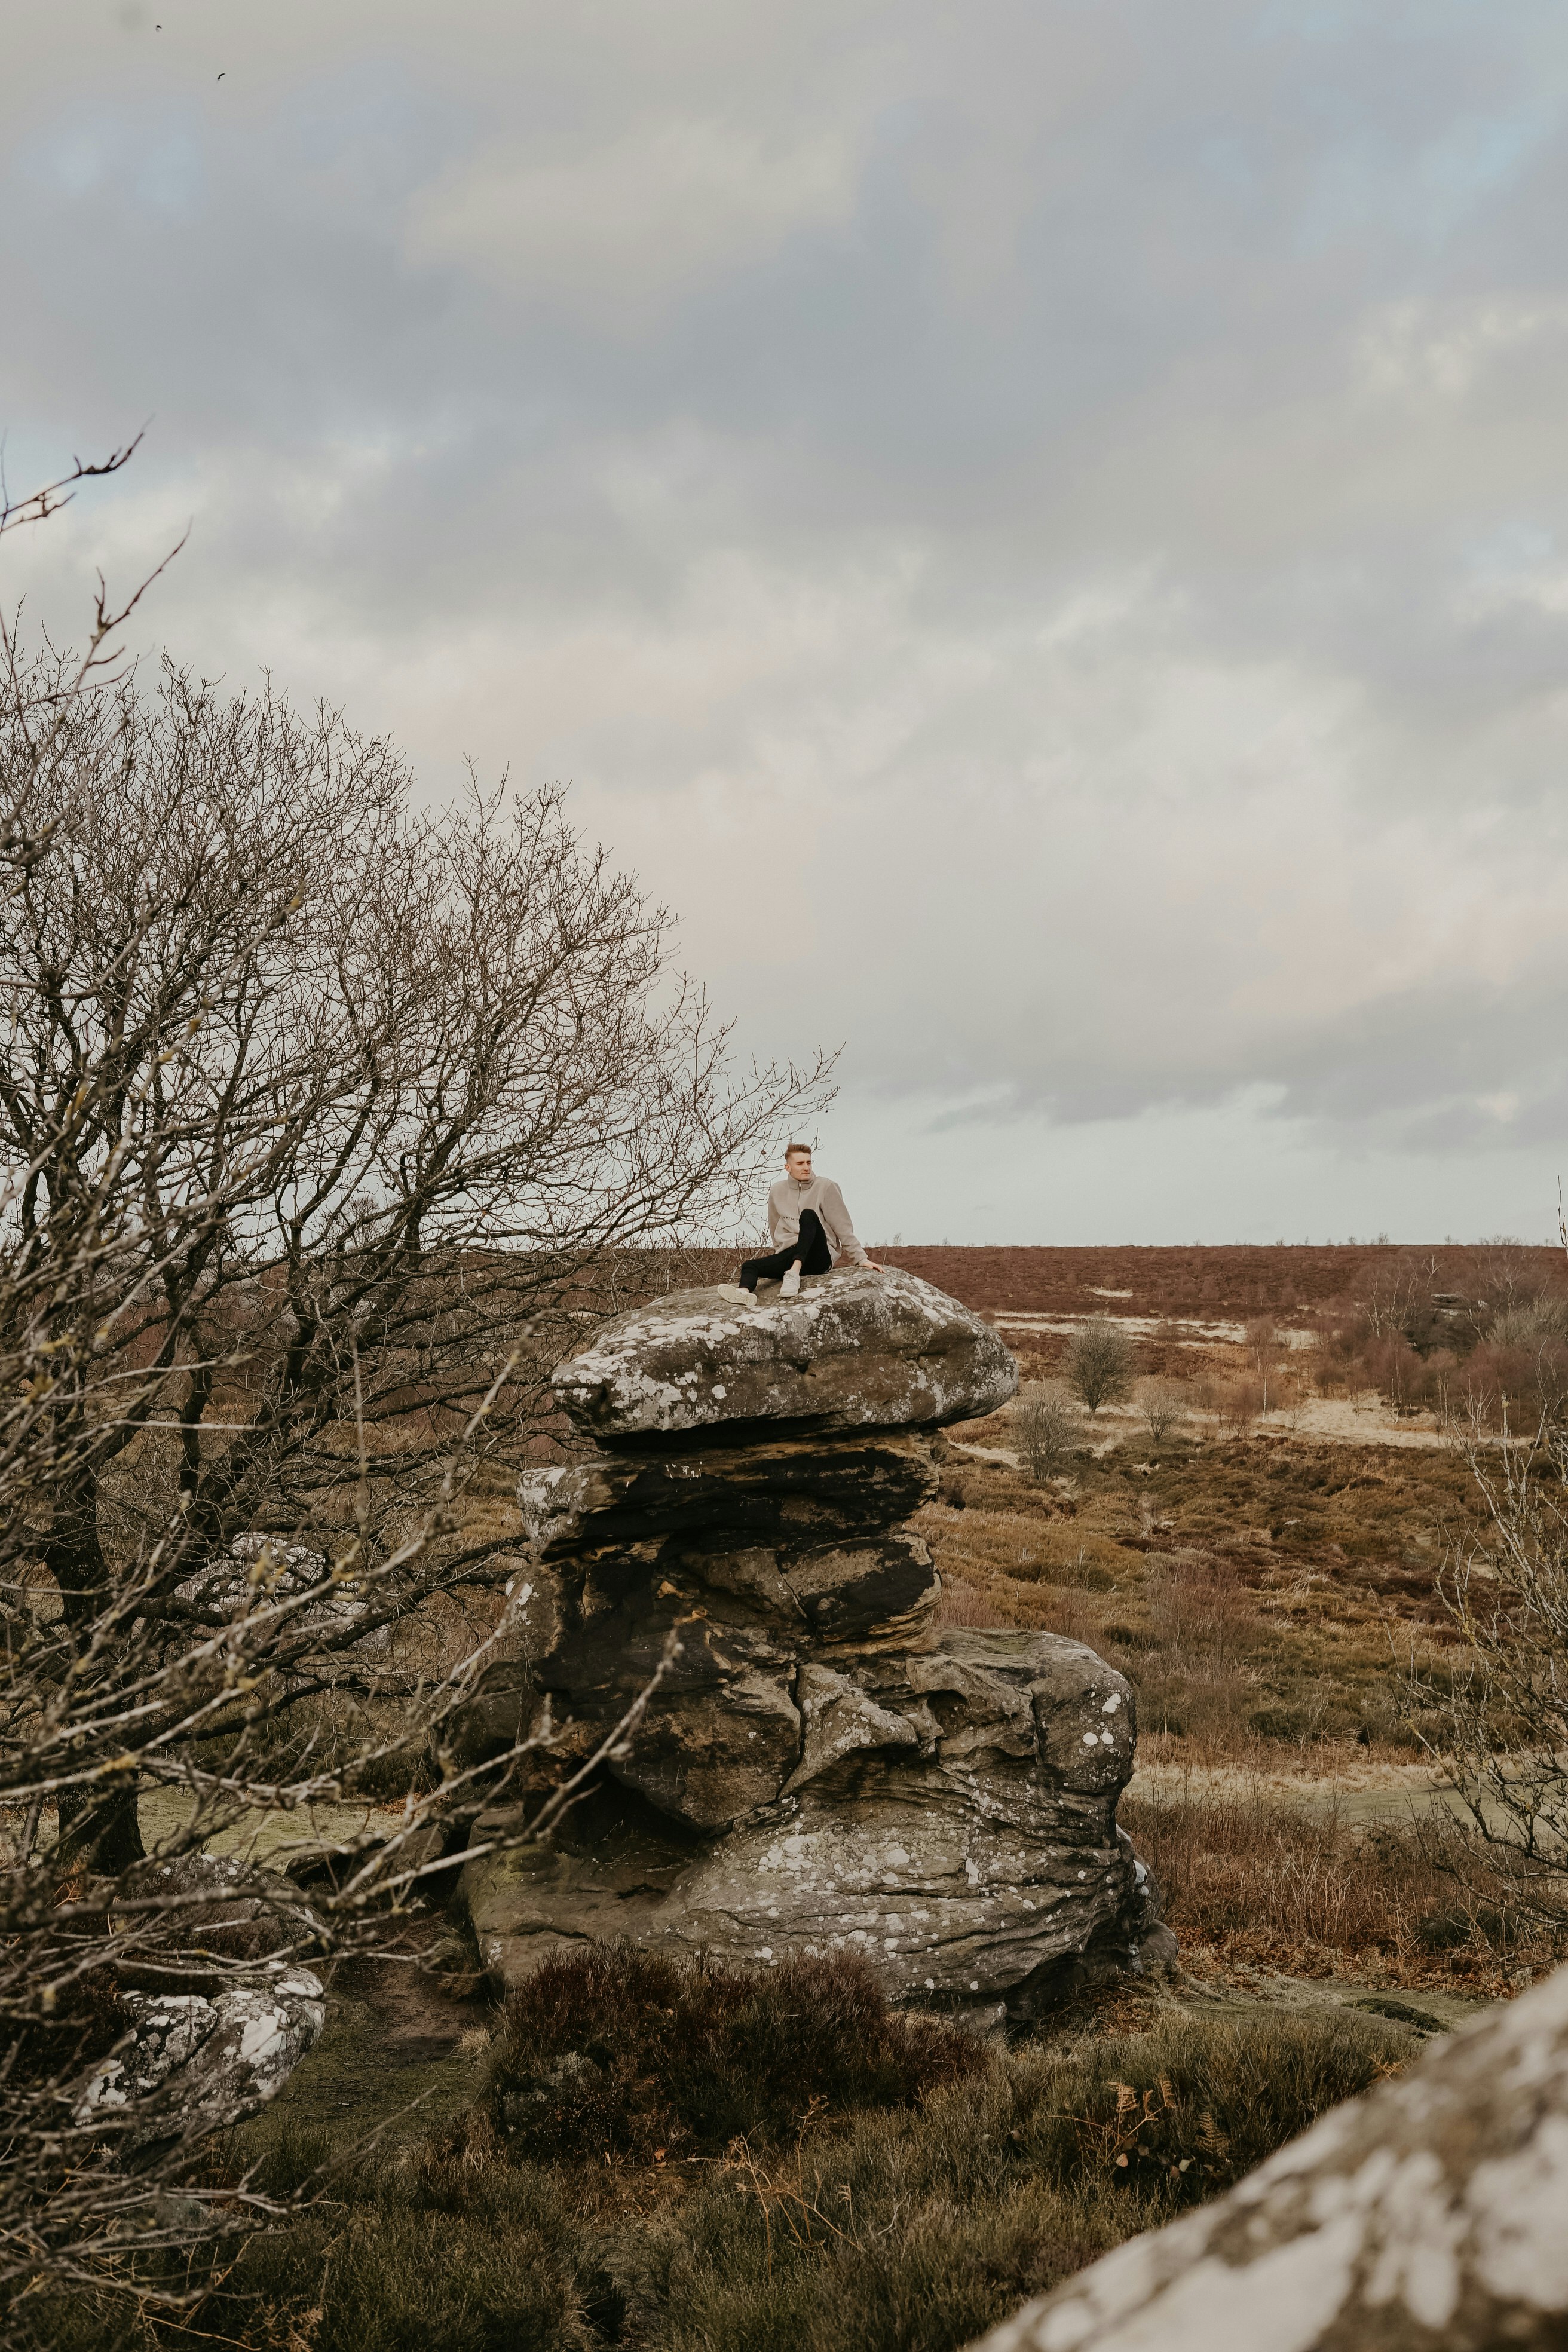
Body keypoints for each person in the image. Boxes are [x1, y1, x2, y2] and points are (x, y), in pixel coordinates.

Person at [728, 1143, 878, 1304]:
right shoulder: (777, 1191)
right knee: (750, 1266)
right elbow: (774, 1225)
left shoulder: (826, 1187)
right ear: (788, 1167)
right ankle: (743, 1294)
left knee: (808, 1215)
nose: (806, 1167)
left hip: (820, 1256)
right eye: (800, 1163)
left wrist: (861, 1259)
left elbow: (843, 1227)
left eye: (809, 1162)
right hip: (791, 1253)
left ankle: (793, 1274)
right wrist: (780, 1253)